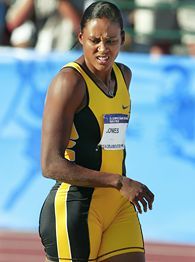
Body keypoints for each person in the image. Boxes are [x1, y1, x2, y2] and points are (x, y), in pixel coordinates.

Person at [39, 1, 154, 262]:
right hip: (76, 208)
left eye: (111, 41)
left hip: (117, 205)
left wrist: (118, 184)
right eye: (95, 40)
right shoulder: (69, 83)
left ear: (123, 39)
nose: (103, 49)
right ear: (80, 37)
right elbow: (50, 165)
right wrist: (118, 181)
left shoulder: (124, 76)